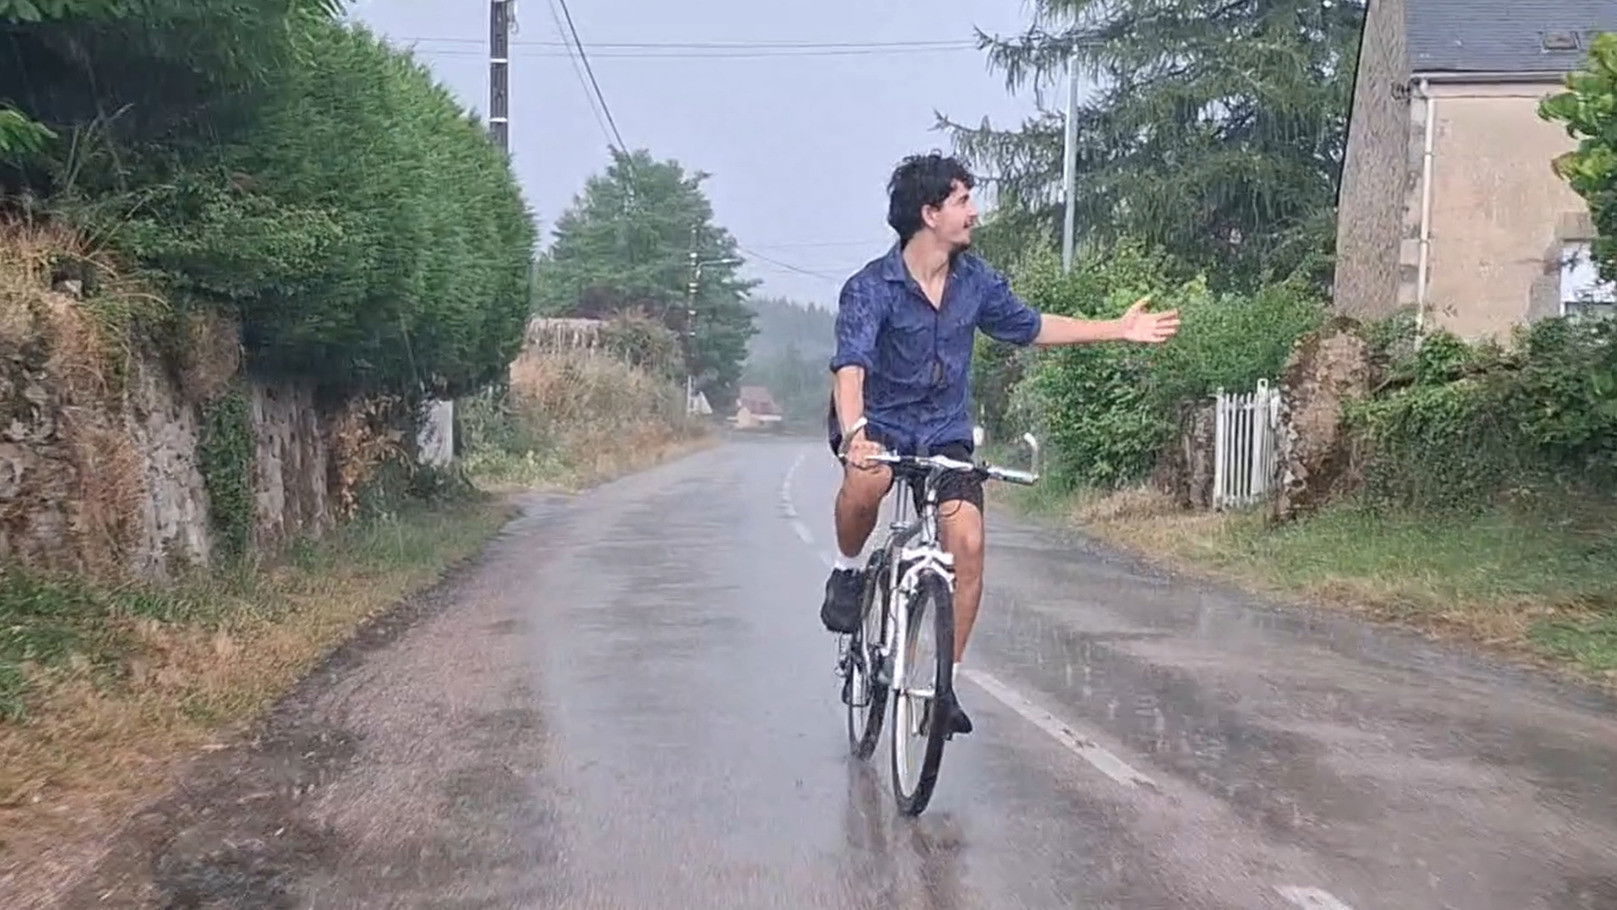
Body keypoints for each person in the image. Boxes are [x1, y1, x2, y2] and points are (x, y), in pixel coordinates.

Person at [821, 152, 1180, 736]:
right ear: (929, 213)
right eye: (963, 201)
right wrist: (857, 434)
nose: (975, 212)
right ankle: (847, 569)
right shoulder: (870, 288)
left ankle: (944, 686)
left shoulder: (975, 282)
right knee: (870, 479)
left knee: (968, 541)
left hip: (943, 431)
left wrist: (1117, 328)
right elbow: (851, 367)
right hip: (879, 424)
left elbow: (1032, 327)